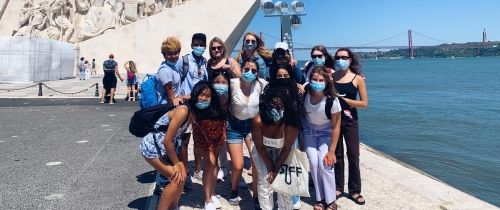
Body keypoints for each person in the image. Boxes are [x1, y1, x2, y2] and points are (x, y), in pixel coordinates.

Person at [251, 64, 304, 210]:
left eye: (279, 105)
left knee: (283, 184)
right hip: (262, 151)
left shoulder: (291, 124)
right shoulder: (258, 121)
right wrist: (270, 167)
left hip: (283, 151)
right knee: (264, 182)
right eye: (272, 104)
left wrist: (277, 168)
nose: (275, 107)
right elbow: (260, 148)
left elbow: (287, 148)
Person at [226, 57, 267, 207]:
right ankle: (234, 190)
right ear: (241, 70)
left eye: (254, 70)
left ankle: (256, 196)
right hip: (234, 126)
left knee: (256, 163)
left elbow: (279, 86)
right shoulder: (233, 84)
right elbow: (216, 87)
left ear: (257, 73)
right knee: (238, 165)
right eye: (247, 69)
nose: (250, 72)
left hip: (253, 127)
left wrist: (300, 85)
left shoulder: (261, 85)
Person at [302, 66, 342, 210]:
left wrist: (332, 151)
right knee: (314, 164)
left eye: (321, 80)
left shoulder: (332, 101)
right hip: (309, 132)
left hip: (326, 133)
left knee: (325, 164)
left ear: (326, 82)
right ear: (310, 79)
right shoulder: (305, 91)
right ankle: (320, 198)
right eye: (314, 79)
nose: (317, 82)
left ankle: (330, 200)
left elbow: (336, 127)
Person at [332, 48, 368, 205]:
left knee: (353, 155)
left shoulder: (358, 78)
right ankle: (338, 186)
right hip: (334, 121)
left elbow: (364, 103)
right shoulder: (331, 77)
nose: (341, 59)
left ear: (350, 59)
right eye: (338, 57)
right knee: (337, 155)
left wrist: (347, 102)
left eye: (344, 57)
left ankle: (354, 191)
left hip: (351, 121)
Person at [176, 33, 209, 190]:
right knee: (184, 139)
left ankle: (197, 169)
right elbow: (175, 80)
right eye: (196, 44)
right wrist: (179, 96)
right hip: (187, 105)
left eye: (202, 44)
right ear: (191, 45)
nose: (199, 47)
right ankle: (185, 173)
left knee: (199, 138)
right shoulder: (184, 61)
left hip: (201, 105)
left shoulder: (204, 62)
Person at [206, 37, 241, 183]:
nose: (216, 50)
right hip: (214, 104)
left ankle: (234, 167)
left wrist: (231, 71)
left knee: (231, 136)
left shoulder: (230, 61)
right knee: (218, 136)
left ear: (223, 48)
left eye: (219, 47)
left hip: (230, 104)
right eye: (213, 48)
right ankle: (223, 167)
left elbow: (241, 78)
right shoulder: (209, 63)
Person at [190, 80, 228, 210]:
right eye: (201, 94)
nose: (204, 98)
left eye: (208, 95)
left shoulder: (217, 107)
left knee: (214, 164)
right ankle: (207, 199)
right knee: (210, 164)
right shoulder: (193, 109)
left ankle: (212, 193)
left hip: (217, 138)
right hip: (203, 140)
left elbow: (222, 123)